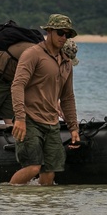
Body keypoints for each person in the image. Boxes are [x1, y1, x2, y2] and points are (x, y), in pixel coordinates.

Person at [9, 14, 81, 185]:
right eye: (60, 33)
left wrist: (73, 127)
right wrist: (19, 118)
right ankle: (8, 200)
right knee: (33, 167)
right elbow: (17, 85)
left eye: (67, 34)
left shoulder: (67, 63)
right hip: (30, 118)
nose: (64, 37)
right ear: (49, 31)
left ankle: (42, 210)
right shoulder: (33, 54)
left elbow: (67, 97)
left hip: (51, 123)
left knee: (49, 173)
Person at [0, 35, 79, 123]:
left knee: (12, 115)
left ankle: (12, 141)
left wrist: (56, 103)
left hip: (10, 79)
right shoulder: (37, 54)